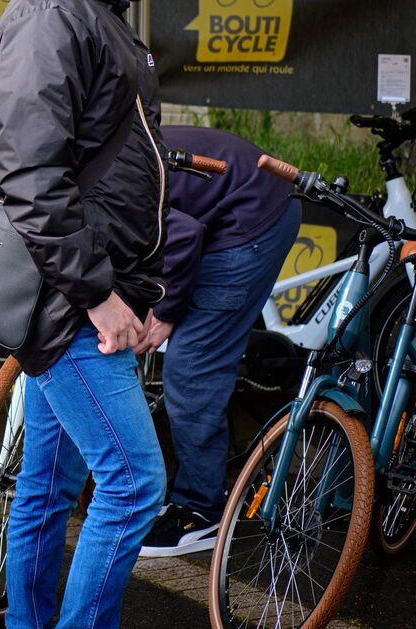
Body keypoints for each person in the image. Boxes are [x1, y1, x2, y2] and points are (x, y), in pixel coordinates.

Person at [0, 0, 181, 629]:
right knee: (134, 485)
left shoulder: (85, 8)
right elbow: (31, 177)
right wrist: (100, 295)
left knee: (47, 487)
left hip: (78, 291)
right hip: (69, 301)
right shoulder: (52, 12)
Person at [139, 125, 301, 556]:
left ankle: (200, 511)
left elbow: (181, 235)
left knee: (192, 367)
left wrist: (165, 313)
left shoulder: (101, 178)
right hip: (220, 202)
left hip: (250, 216)